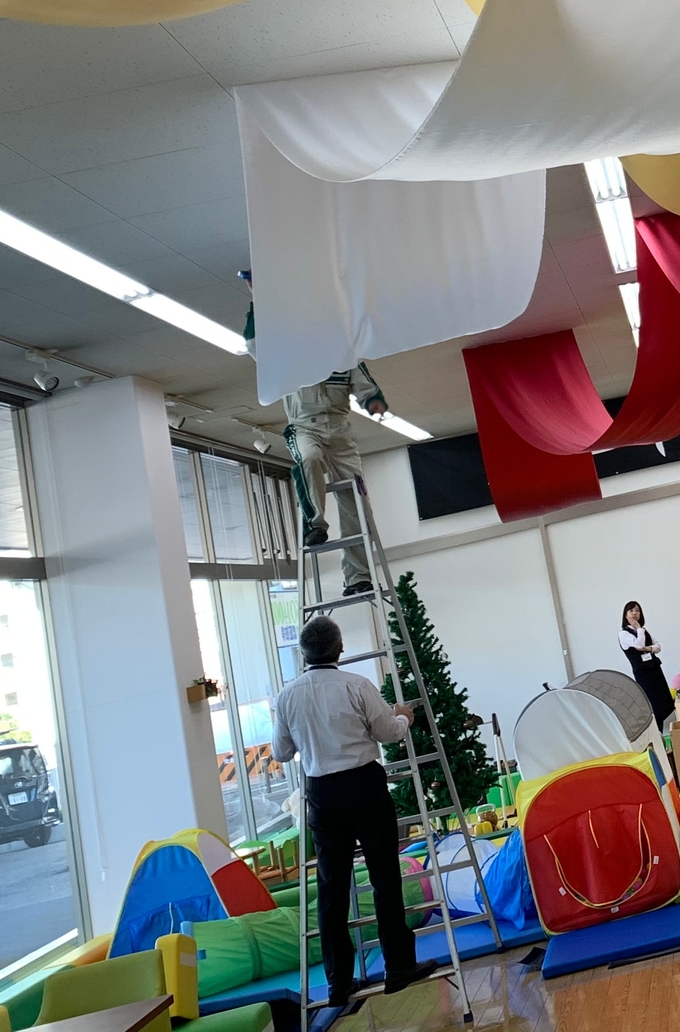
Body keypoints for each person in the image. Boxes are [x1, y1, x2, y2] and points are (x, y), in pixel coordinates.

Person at [270, 616, 438, 1007]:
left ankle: (338, 983)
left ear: (303, 653)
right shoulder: (357, 685)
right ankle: (398, 966)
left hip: (321, 793)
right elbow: (388, 732)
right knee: (384, 876)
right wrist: (403, 716)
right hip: (364, 786)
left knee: (331, 889)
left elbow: (281, 752)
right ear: (340, 647)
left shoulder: (287, 696)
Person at [282, 362, 392, 596]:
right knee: (309, 459)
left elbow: (363, 382)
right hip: (303, 427)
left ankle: (358, 577)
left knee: (357, 506)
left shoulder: (344, 353)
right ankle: (314, 524)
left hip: (340, 432)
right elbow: (259, 350)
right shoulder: (289, 351)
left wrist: (372, 400)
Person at [619, 602, 674, 724]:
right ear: (625, 615)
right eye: (631, 611)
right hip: (643, 673)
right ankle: (659, 732)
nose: (634, 613)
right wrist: (638, 629)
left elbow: (658, 647)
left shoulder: (644, 630)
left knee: (666, 702)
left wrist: (648, 648)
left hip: (655, 669)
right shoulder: (624, 634)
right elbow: (639, 645)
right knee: (655, 706)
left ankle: (670, 729)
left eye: (637, 610)